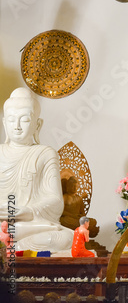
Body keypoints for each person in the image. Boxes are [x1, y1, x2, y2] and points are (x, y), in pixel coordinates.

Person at [0, 87, 73, 252]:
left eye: (24, 120)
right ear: (4, 123)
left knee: (63, 238)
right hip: (3, 224)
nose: (17, 126)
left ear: (38, 124)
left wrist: (27, 211)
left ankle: (9, 247)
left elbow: (55, 202)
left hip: (30, 225)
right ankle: (13, 247)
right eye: (11, 120)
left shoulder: (45, 153)